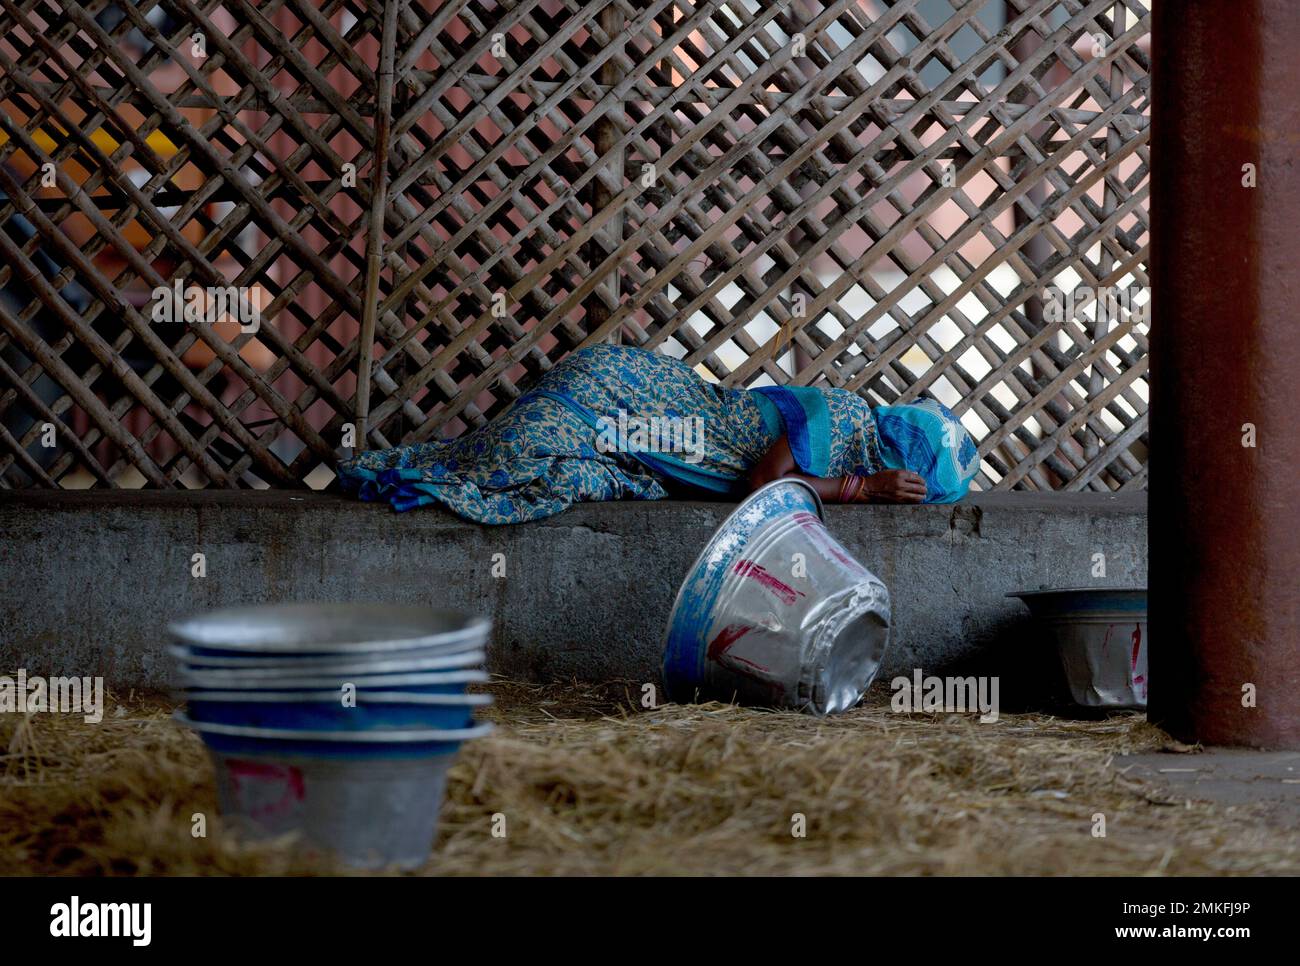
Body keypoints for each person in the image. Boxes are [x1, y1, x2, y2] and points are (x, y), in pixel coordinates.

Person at [338, 344, 979, 523]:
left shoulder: (850, 449)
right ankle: (389, 472)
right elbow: (763, 487)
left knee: (545, 473)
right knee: (501, 459)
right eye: (911, 484)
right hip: (625, 395)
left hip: (651, 445)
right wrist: (863, 491)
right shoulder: (838, 416)